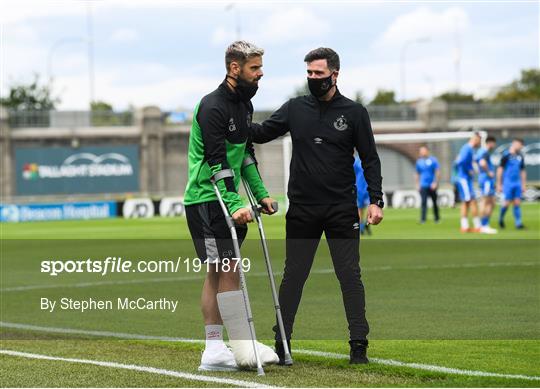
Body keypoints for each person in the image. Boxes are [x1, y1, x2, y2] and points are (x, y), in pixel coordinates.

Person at [250, 47, 384, 365]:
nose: (312, 79)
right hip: (302, 210)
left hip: (341, 209)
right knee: (293, 277)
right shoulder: (295, 108)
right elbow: (261, 132)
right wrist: (234, 117)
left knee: (349, 277)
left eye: (318, 74)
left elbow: (370, 159)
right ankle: (282, 344)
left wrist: (376, 200)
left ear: (334, 75)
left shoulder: (354, 113)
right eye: (309, 73)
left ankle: (358, 346)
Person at [183, 41, 279, 371]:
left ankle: (217, 349)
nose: (260, 73)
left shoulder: (244, 106)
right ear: (234, 69)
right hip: (207, 201)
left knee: (220, 270)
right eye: (255, 68)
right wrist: (236, 202)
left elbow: (246, 156)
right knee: (228, 268)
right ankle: (235, 346)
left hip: (224, 201)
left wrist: (261, 193)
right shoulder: (212, 106)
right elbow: (217, 161)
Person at [454, 133, 482, 233]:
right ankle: (477, 225)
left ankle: (465, 226)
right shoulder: (467, 148)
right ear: (475, 139)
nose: (480, 142)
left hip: (465, 179)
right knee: (472, 201)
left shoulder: (468, 149)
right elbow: (460, 162)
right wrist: (469, 169)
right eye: (479, 140)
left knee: (465, 202)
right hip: (464, 178)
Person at [497, 138, 527, 229]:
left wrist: (523, 184)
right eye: (519, 144)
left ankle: (518, 223)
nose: (521, 146)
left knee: (517, 203)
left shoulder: (520, 156)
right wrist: (499, 184)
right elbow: (500, 170)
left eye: (522, 145)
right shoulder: (506, 155)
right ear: (514, 143)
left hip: (517, 183)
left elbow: (522, 171)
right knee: (506, 203)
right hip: (507, 183)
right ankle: (501, 218)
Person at [475, 136, 498, 234]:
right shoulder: (484, 152)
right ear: (490, 143)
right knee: (486, 201)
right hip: (487, 180)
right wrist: (489, 172)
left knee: (492, 202)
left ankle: (483, 224)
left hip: (485, 179)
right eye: (494, 143)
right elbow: (482, 163)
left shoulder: (481, 152)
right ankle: (483, 225)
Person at [415, 145, 440, 224]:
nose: (422, 152)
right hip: (423, 185)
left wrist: (436, 182)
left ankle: (437, 218)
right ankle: (423, 219)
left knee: (435, 202)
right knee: (423, 202)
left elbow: (437, 172)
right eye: (421, 151)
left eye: (423, 151)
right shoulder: (419, 162)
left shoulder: (433, 160)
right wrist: (417, 184)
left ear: (427, 151)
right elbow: (417, 174)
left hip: (432, 185)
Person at [353, 156, 372, 235]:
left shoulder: (357, 161)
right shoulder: (357, 162)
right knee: (362, 208)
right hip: (362, 187)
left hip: (364, 187)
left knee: (365, 208)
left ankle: (363, 226)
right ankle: (363, 226)